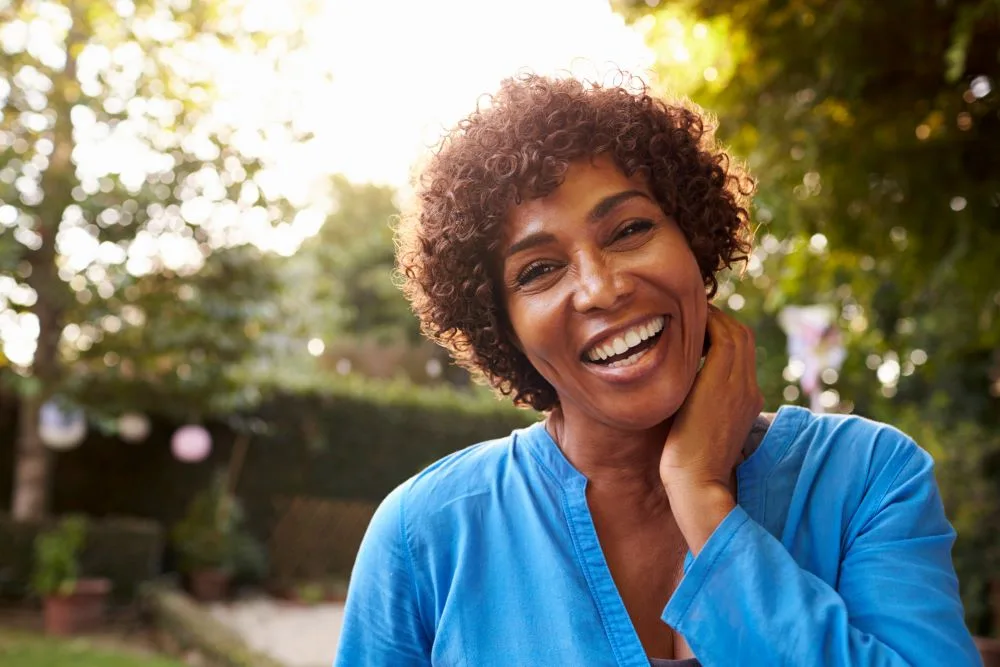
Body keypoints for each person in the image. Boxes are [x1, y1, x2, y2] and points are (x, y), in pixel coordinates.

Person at [333, 72, 982, 666]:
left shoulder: (868, 478)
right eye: (538, 270)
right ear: (501, 326)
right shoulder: (426, 535)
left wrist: (702, 497)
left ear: (695, 241)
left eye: (629, 229)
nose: (601, 288)